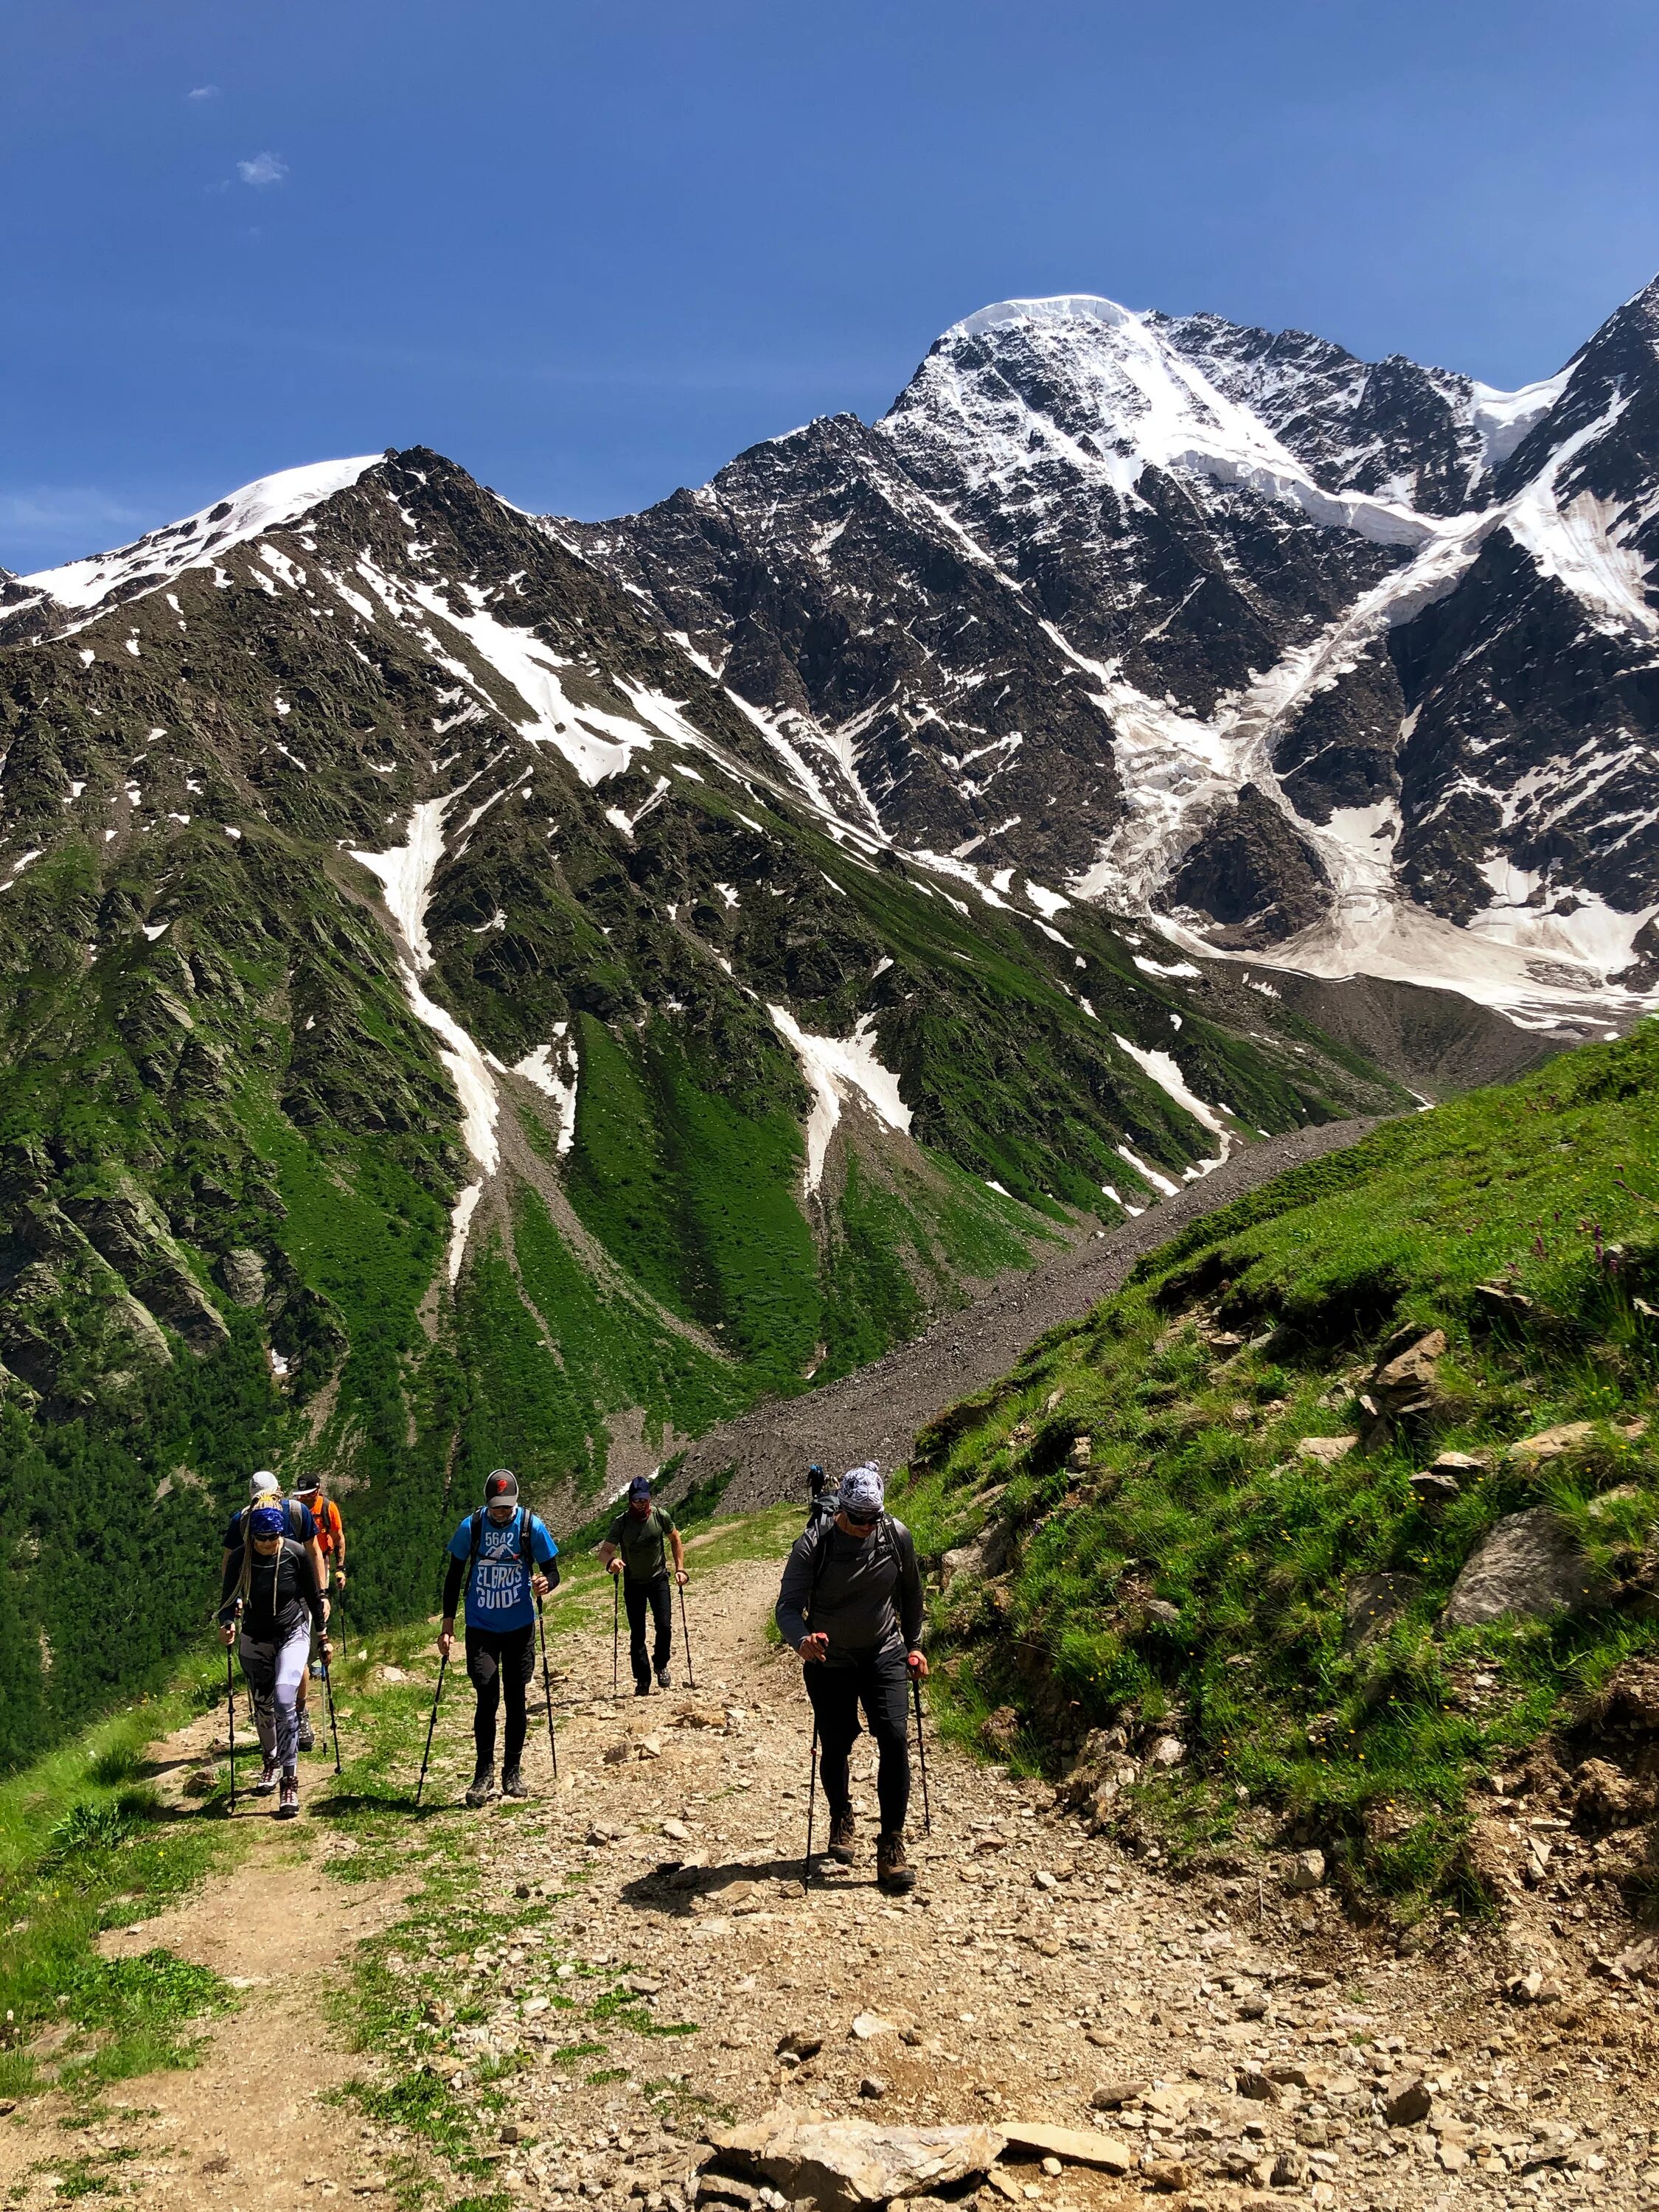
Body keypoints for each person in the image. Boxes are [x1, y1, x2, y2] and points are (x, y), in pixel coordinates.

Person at [774, 1462, 927, 1893]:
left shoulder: (896, 1536)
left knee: (895, 1738)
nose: (864, 1526)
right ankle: (841, 1814)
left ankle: (891, 1845)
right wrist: (801, 1640)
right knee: (837, 1744)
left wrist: (914, 1645)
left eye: (871, 1518)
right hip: (831, 1660)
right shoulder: (814, 1544)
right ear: (842, 1508)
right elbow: (787, 1607)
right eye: (857, 1518)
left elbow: (912, 1593)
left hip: (884, 1652)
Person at [438, 1469, 560, 1806]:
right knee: (487, 1696)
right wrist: (447, 1626)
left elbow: (552, 1569)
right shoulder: (472, 1527)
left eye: (506, 1508)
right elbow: (453, 1576)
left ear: (515, 1503)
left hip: (520, 1625)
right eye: (496, 1508)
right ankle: (483, 1773)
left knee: (516, 1697)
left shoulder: (531, 1526)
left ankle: (512, 1771)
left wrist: (547, 1583)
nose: (501, 1513)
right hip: (481, 1626)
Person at [218, 1502, 330, 1819]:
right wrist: (226, 1623)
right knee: (263, 1707)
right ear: (252, 1536)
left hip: (292, 1633)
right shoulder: (242, 1558)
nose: (268, 1543)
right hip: (254, 1639)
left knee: (284, 1701)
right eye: (262, 1538)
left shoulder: (295, 1553)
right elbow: (227, 1600)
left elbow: (312, 1596)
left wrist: (322, 1636)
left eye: (274, 1537)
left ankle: (289, 1779)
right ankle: (271, 1761)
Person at [221, 1473, 328, 1751]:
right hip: (266, 1599)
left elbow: (312, 1553)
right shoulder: (273, 1515)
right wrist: (236, 1598)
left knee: (298, 1658)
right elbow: (231, 1565)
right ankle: (283, 1717)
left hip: (297, 1597)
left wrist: (321, 1594)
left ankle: (298, 1715)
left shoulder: (290, 1513)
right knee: (280, 1664)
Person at [598, 1475, 686, 1696]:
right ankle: (642, 1679)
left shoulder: (660, 1516)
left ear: (649, 1498)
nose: (640, 1504)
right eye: (637, 1500)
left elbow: (675, 1539)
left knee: (664, 1626)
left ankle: (661, 1663)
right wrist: (611, 1562)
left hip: (659, 1579)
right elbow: (604, 1551)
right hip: (634, 1582)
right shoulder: (622, 1522)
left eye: (644, 1499)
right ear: (630, 1500)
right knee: (637, 1633)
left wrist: (680, 1568)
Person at [805, 1463, 838, 1530]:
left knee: (817, 1495)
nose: (813, 1472)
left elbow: (821, 1480)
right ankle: (816, 1506)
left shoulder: (819, 1473)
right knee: (814, 1495)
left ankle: (817, 1506)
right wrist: (808, 1484)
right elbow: (809, 1479)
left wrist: (822, 1486)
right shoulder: (812, 1473)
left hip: (818, 1485)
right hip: (815, 1485)